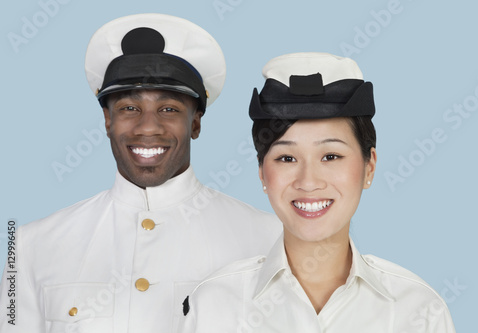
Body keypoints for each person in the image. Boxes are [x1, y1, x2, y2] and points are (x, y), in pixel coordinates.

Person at [0, 14, 281, 333]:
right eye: (129, 108)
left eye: (169, 109)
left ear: (196, 123)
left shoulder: (270, 239)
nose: (148, 127)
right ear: (107, 120)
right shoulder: (29, 246)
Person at [181, 52, 456, 332]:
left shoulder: (418, 310)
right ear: (262, 172)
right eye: (287, 158)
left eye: (331, 156)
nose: (308, 181)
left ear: (369, 167)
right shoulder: (215, 305)